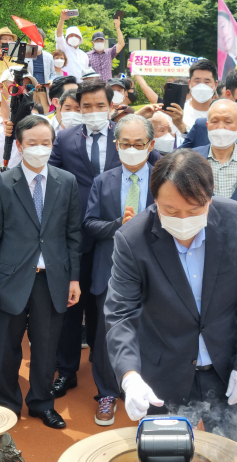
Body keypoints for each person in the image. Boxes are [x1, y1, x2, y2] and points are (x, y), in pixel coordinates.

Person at [105, 148, 237, 449]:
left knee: (235, 459)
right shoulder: (132, 239)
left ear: (210, 196)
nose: (183, 220)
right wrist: (129, 376)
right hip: (164, 374)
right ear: (154, 199)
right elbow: (120, 315)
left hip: (228, 368)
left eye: (194, 210)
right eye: (170, 210)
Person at [48, 80, 163, 398]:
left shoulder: (128, 134)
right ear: (78, 107)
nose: (94, 111)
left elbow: (159, 159)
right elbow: (51, 176)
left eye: (100, 105)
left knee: (109, 314)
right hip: (77, 234)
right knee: (72, 308)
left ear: (111, 106)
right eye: (87, 106)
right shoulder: (66, 137)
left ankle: (120, 371)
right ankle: (67, 370)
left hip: (117, 242)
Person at [0, 115, 82, 428]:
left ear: (53, 145)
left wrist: (74, 277)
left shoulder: (66, 182)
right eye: (32, 143)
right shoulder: (1, 183)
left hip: (52, 277)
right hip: (10, 278)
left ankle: (41, 402)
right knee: (5, 347)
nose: (39, 149)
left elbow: (73, 234)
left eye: (46, 143)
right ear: (20, 146)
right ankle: (6, 404)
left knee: (45, 346)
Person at [82, 115, 158, 426]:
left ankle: (144, 389)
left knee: (150, 334)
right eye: (124, 144)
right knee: (106, 335)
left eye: (138, 144)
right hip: (111, 270)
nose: (131, 149)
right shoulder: (104, 181)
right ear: (116, 145)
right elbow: (89, 223)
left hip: (154, 272)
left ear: (150, 145)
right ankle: (107, 393)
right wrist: (119, 226)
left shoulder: (162, 179)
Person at [55, 11, 89, 82]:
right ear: (66, 38)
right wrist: (62, 19)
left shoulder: (84, 55)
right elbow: (59, 36)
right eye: (71, 35)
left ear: (80, 38)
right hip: (66, 84)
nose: (74, 37)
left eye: (76, 36)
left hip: (81, 87)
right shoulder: (63, 49)